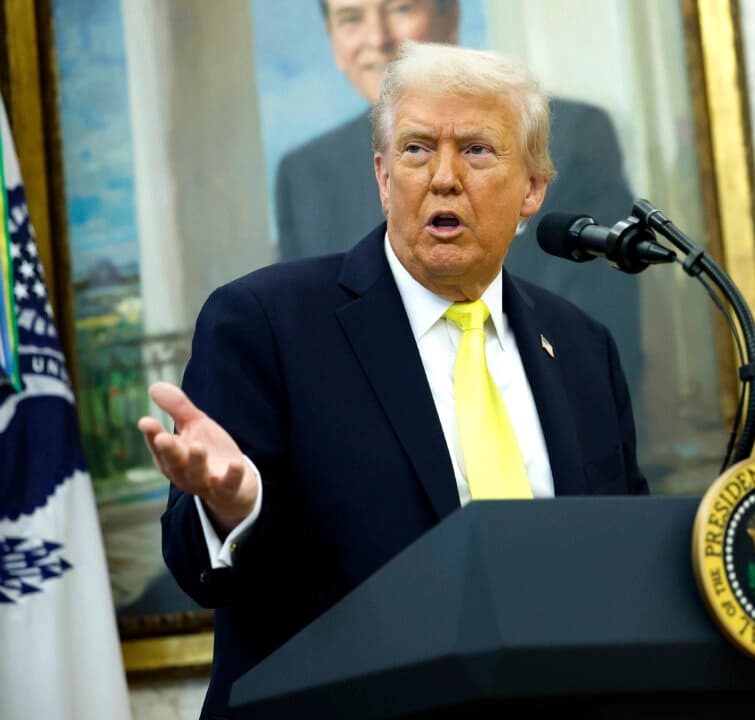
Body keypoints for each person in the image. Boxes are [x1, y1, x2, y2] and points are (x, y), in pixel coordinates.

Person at [138, 43, 648, 719]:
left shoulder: (582, 348)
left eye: (476, 150)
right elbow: (197, 563)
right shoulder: (266, 322)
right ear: (382, 176)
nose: (443, 178)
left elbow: (621, 555)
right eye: (415, 150)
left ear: (532, 188)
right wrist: (236, 508)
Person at [275, 0, 645, 407]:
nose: (377, 39)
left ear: (449, 15)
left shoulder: (570, 135)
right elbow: (312, 355)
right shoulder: (304, 174)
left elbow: (600, 339)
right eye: (351, 19)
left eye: (399, 9)